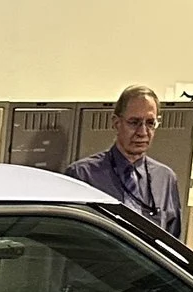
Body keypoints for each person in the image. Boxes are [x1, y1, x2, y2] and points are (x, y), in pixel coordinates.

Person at [67, 85, 183, 238]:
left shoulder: (165, 178)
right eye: (134, 122)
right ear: (116, 123)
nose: (142, 132)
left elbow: (173, 241)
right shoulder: (83, 175)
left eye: (150, 123)